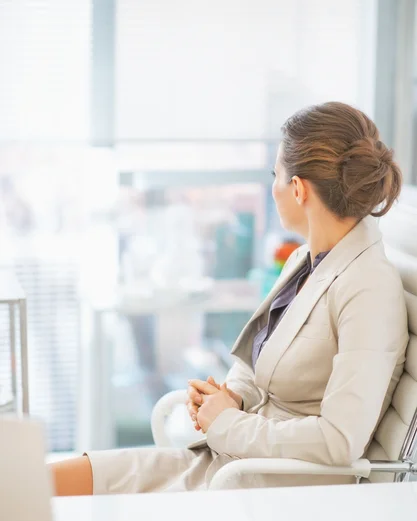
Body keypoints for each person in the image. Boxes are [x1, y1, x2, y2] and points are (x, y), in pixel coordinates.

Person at [52, 101, 408, 495]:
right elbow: (264, 367)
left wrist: (228, 423)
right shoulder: (305, 259)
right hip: (234, 461)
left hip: (274, 485)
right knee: (55, 479)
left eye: (275, 175)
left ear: (297, 188)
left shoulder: (369, 288)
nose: (272, 188)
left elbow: (340, 441)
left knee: (80, 497)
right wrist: (232, 397)